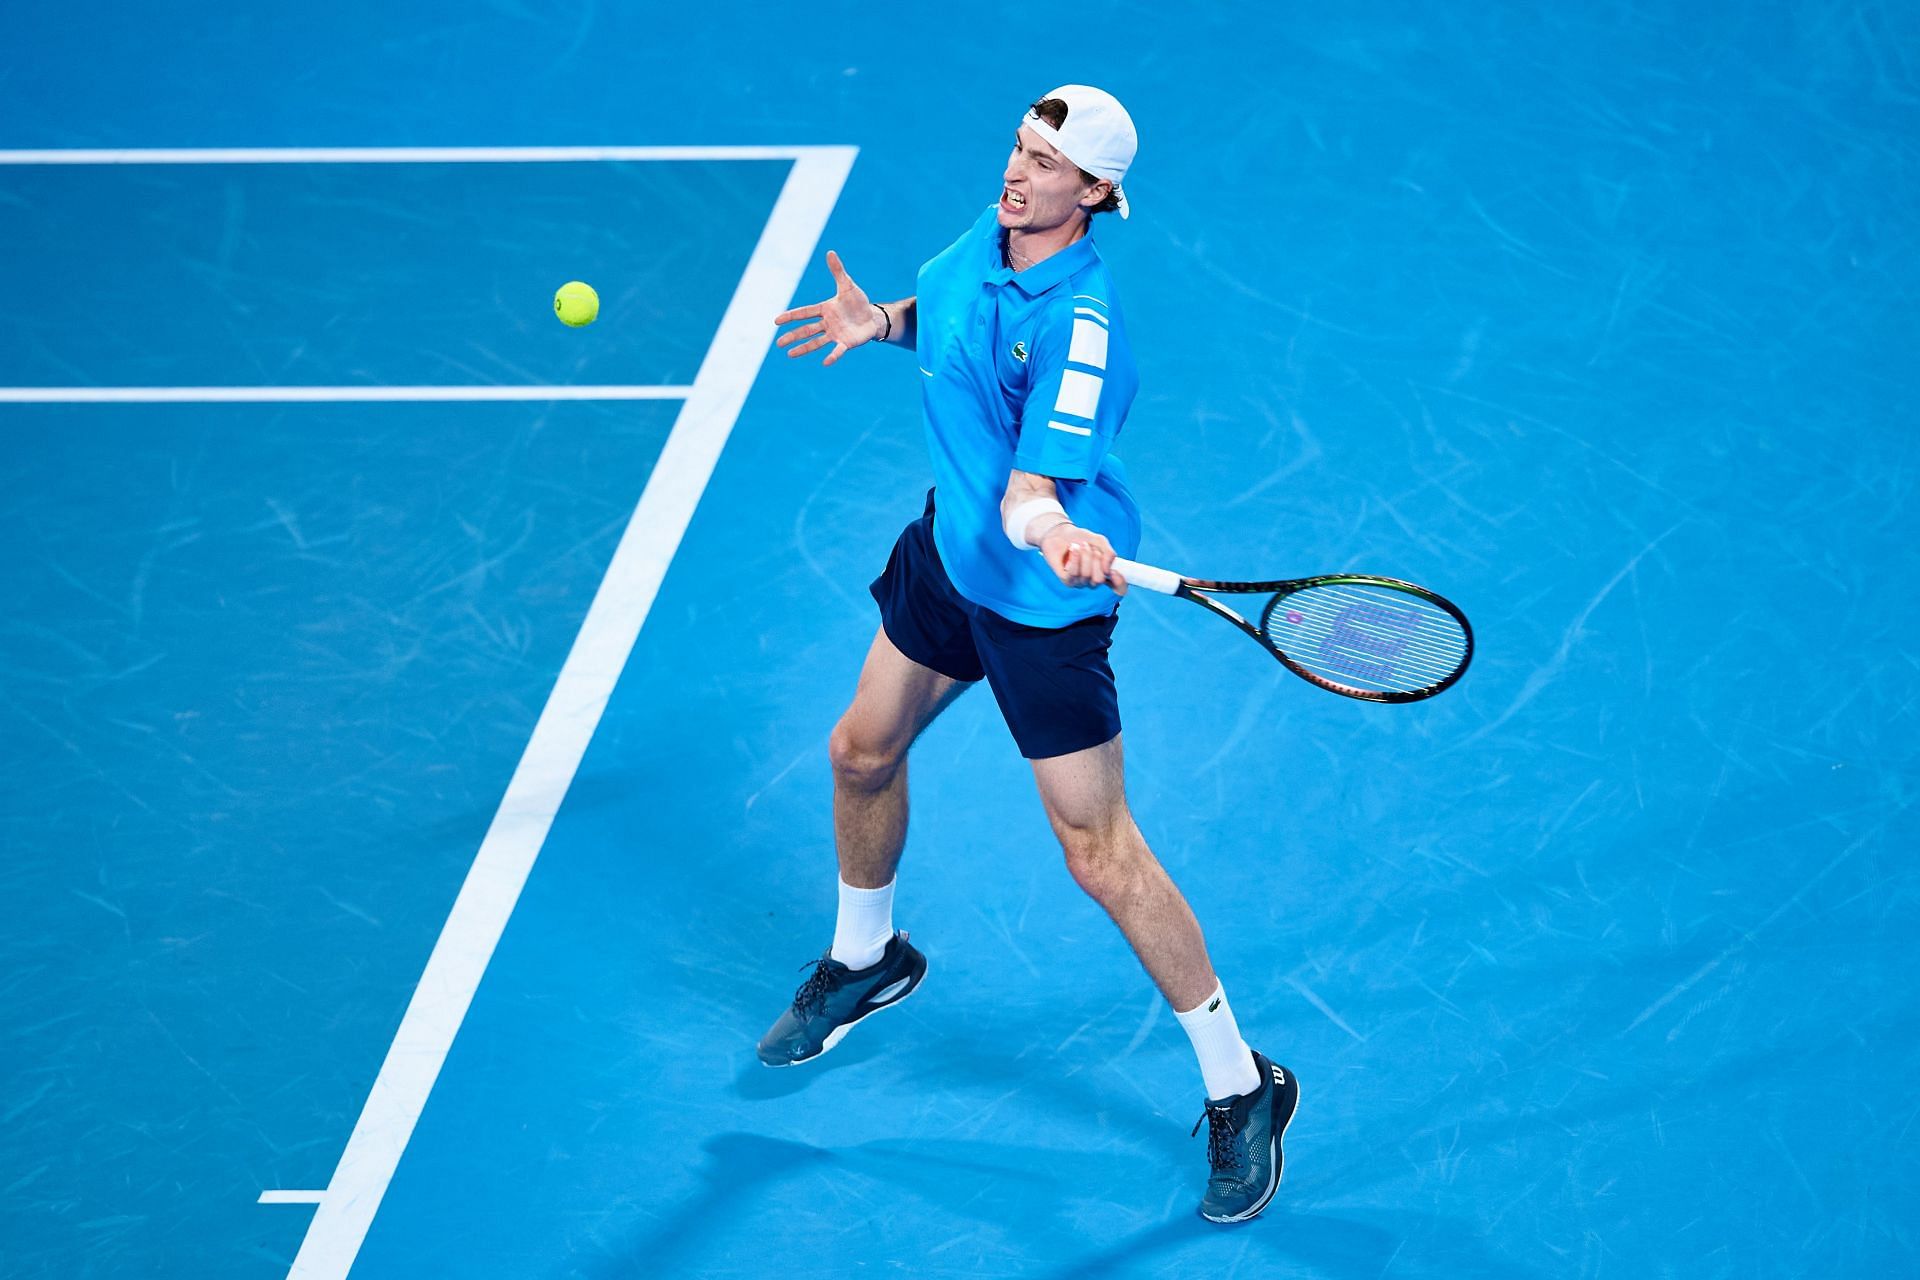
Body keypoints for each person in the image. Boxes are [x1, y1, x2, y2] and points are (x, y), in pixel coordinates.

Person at [758, 85, 1298, 1224]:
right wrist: (884, 322)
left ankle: (1241, 1084)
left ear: (1095, 194)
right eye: (1020, 144)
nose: (1021, 172)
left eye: (1050, 164)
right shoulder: (986, 238)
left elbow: (1029, 493)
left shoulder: (1080, 325)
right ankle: (869, 956)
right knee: (860, 751)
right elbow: (953, 320)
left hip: (1038, 608)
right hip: (947, 554)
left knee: (1099, 854)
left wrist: (1056, 531)